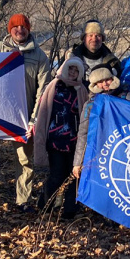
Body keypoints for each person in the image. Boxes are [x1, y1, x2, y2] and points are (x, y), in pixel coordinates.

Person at [0, 14, 51, 211]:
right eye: (15, 27)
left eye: (23, 27)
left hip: (23, 117)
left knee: (24, 160)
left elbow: (43, 91)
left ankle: (23, 200)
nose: (19, 30)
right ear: (9, 29)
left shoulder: (39, 56)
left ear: (29, 29)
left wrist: (34, 120)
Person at [33, 57, 88, 219]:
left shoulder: (81, 89)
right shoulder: (53, 86)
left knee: (74, 176)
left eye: (76, 70)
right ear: (64, 69)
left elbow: (86, 113)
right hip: (55, 140)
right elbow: (43, 112)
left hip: (75, 141)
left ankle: (70, 210)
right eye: (70, 69)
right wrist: (40, 135)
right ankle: (45, 206)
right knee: (56, 176)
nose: (72, 73)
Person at [72, 64, 130, 179]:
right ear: (95, 84)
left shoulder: (127, 96)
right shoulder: (90, 105)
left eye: (107, 79)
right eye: (100, 81)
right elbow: (83, 133)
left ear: (113, 78)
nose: (105, 84)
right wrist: (78, 162)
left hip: (125, 150)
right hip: (100, 153)